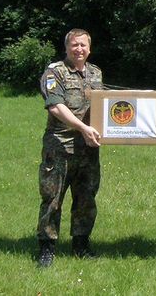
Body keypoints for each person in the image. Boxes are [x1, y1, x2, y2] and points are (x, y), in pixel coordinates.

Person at [35, 29, 103, 268]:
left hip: (88, 148)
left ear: (89, 48)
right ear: (66, 48)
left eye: (83, 45)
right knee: (52, 198)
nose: (79, 49)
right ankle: (46, 247)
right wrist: (83, 127)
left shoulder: (95, 73)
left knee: (86, 198)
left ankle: (81, 245)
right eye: (74, 45)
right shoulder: (55, 72)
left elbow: (105, 107)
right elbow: (55, 106)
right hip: (60, 146)